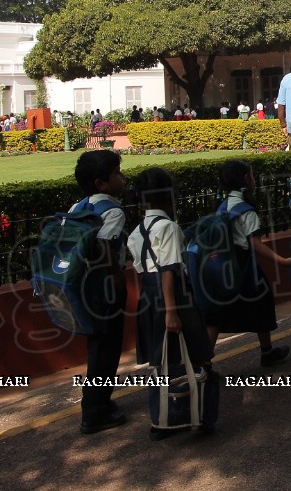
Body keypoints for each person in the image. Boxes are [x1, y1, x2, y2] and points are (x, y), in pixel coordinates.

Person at [127, 167, 219, 438]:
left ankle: (162, 418)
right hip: (172, 296)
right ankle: (199, 415)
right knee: (195, 355)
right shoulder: (168, 227)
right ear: (169, 195)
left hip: (148, 296)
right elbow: (169, 269)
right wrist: (172, 311)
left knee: (161, 360)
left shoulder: (137, 230)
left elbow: (140, 272)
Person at [204, 160, 291, 367]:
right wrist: (282, 261)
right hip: (244, 265)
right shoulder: (246, 209)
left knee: (216, 314)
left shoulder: (222, 204)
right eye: (251, 175)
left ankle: (204, 362)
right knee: (262, 303)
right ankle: (267, 351)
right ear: (245, 179)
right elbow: (255, 243)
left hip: (223, 266)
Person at [68, 150, 130, 435]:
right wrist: (118, 279)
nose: (122, 177)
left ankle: (97, 404)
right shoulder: (113, 211)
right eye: (116, 173)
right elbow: (107, 246)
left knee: (97, 346)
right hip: (105, 289)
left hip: (84, 288)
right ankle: (94, 411)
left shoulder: (77, 207)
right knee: (106, 349)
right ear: (101, 183)